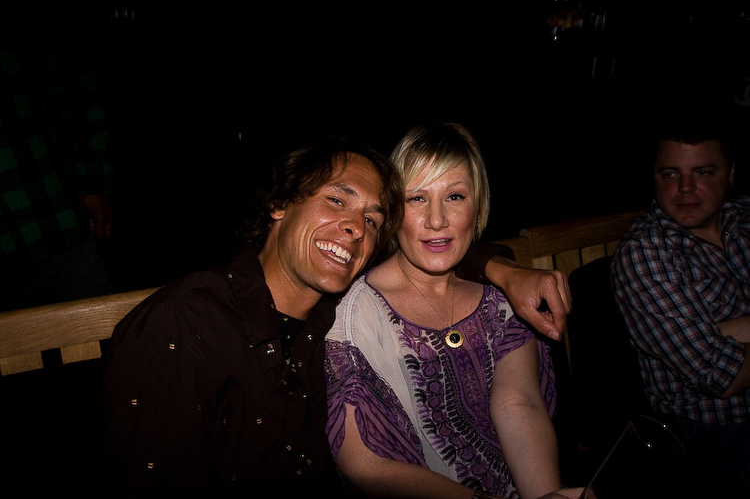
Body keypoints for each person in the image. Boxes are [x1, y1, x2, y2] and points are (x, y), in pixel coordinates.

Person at [102, 133, 572, 498]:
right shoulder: (180, 329)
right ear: (279, 202)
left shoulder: (321, 313)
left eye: (371, 219)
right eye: (336, 200)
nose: (353, 227)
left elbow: (436, 258)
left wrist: (505, 270)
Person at [325, 123, 581, 499]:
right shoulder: (355, 313)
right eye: (417, 198)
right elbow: (365, 464)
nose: (437, 220)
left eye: (455, 196)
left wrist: (546, 496)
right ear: (394, 209)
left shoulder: (502, 299)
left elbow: (518, 403)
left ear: (478, 207)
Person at [611, 112, 750, 494]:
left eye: (703, 172)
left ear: (731, 175)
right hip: (714, 426)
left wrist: (717, 333)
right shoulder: (645, 252)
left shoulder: (744, 217)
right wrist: (716, 340)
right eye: (670, 174)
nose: (686, 189)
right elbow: (722, 376)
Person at [0, 28, 114, 311]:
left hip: (48, 225)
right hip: (49, 228)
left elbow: (76, 82)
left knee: (89, 332)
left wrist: (92, 181)